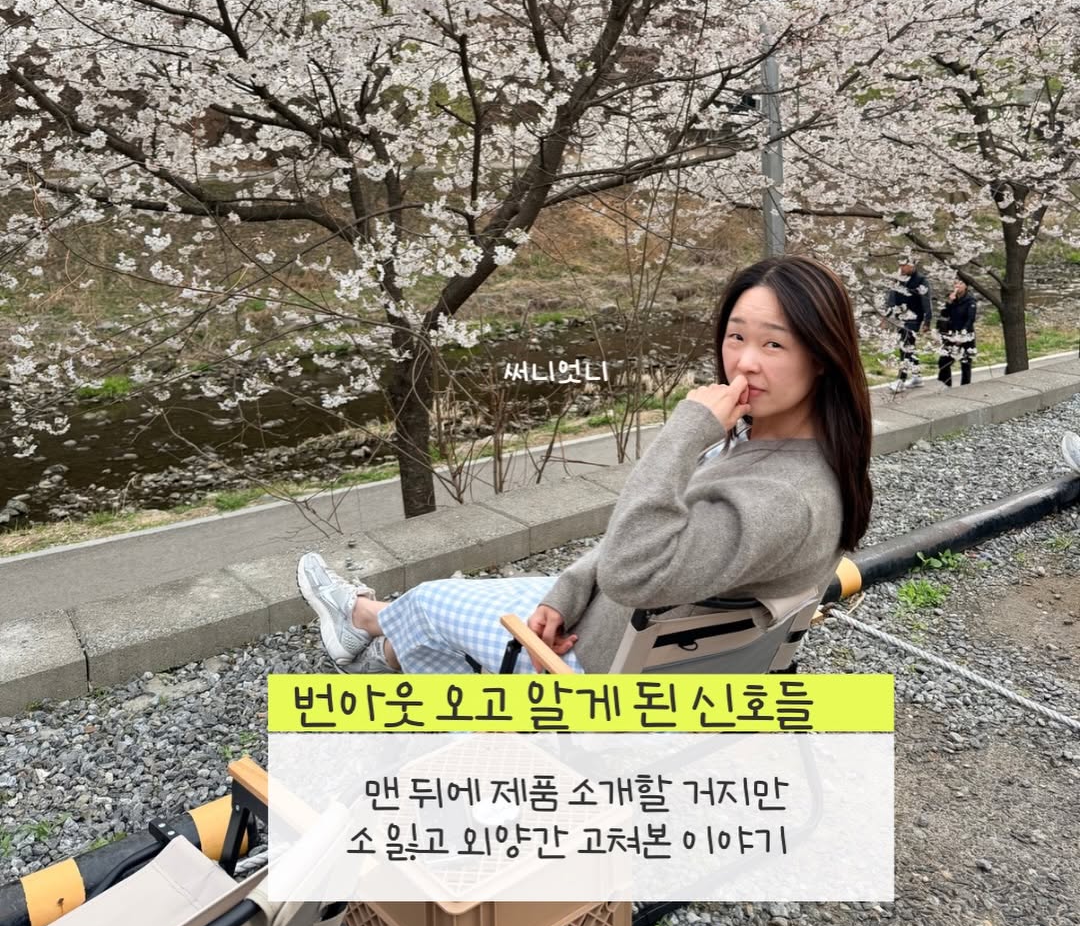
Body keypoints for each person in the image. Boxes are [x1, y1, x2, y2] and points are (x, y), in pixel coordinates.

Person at [296, 255, 874, 676]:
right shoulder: (782, 451)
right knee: (442, 602)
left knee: (426, 604)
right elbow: (656, 538)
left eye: (774, 345)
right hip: (626, 632)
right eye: (736, 336)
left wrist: (686, 430)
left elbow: (631, 568)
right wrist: (566, 592)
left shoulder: (783, 498)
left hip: (598, 670)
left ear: (823, 357)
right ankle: (368, 633)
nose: (744, 363)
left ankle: (366, 636)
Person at [885, 256, 932, 391]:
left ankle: (901, 380)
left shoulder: (921, 280)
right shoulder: (899, 278)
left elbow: (926, 300)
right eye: (900, 265)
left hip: (914, 317)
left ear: (912, 265)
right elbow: (892, 296)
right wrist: (887, 315)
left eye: (904, 266)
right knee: (909, 346)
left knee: (905, 346)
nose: (902, 268)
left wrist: (927, 320)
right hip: (901, 317)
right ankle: (917, 377)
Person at [936, 278, 977, 387]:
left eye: (960, 283)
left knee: (965, 363)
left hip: (965, 335)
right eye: (955, 283)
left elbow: (970, 319)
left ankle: (965, 387)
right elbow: (944, 314)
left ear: (966, 286)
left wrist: (962, 335)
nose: (957, 285)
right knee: (943, 361)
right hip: (951, 334)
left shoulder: (970, 301)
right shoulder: (952, 299)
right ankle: (946, 385)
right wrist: (949, 302)